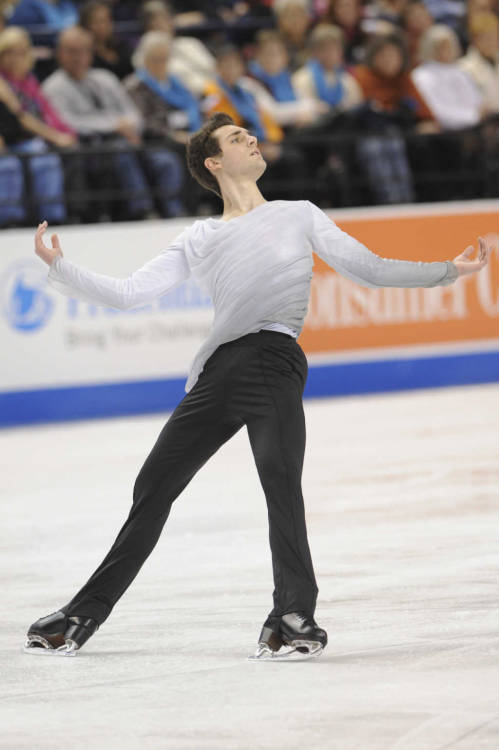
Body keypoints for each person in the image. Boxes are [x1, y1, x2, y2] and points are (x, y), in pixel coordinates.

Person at [24, 112, 492, 661]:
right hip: (218, 373)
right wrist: (63, 269)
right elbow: (130, 293)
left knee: (280, 484)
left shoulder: (298, 214)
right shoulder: (198, 236)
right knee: (152, 486)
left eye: (250, 134)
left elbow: (368, 268)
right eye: (236, 138)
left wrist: (447, 271)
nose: (251, 138)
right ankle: (80, 615)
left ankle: (292, 617)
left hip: (274, 357)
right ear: (213, 163)